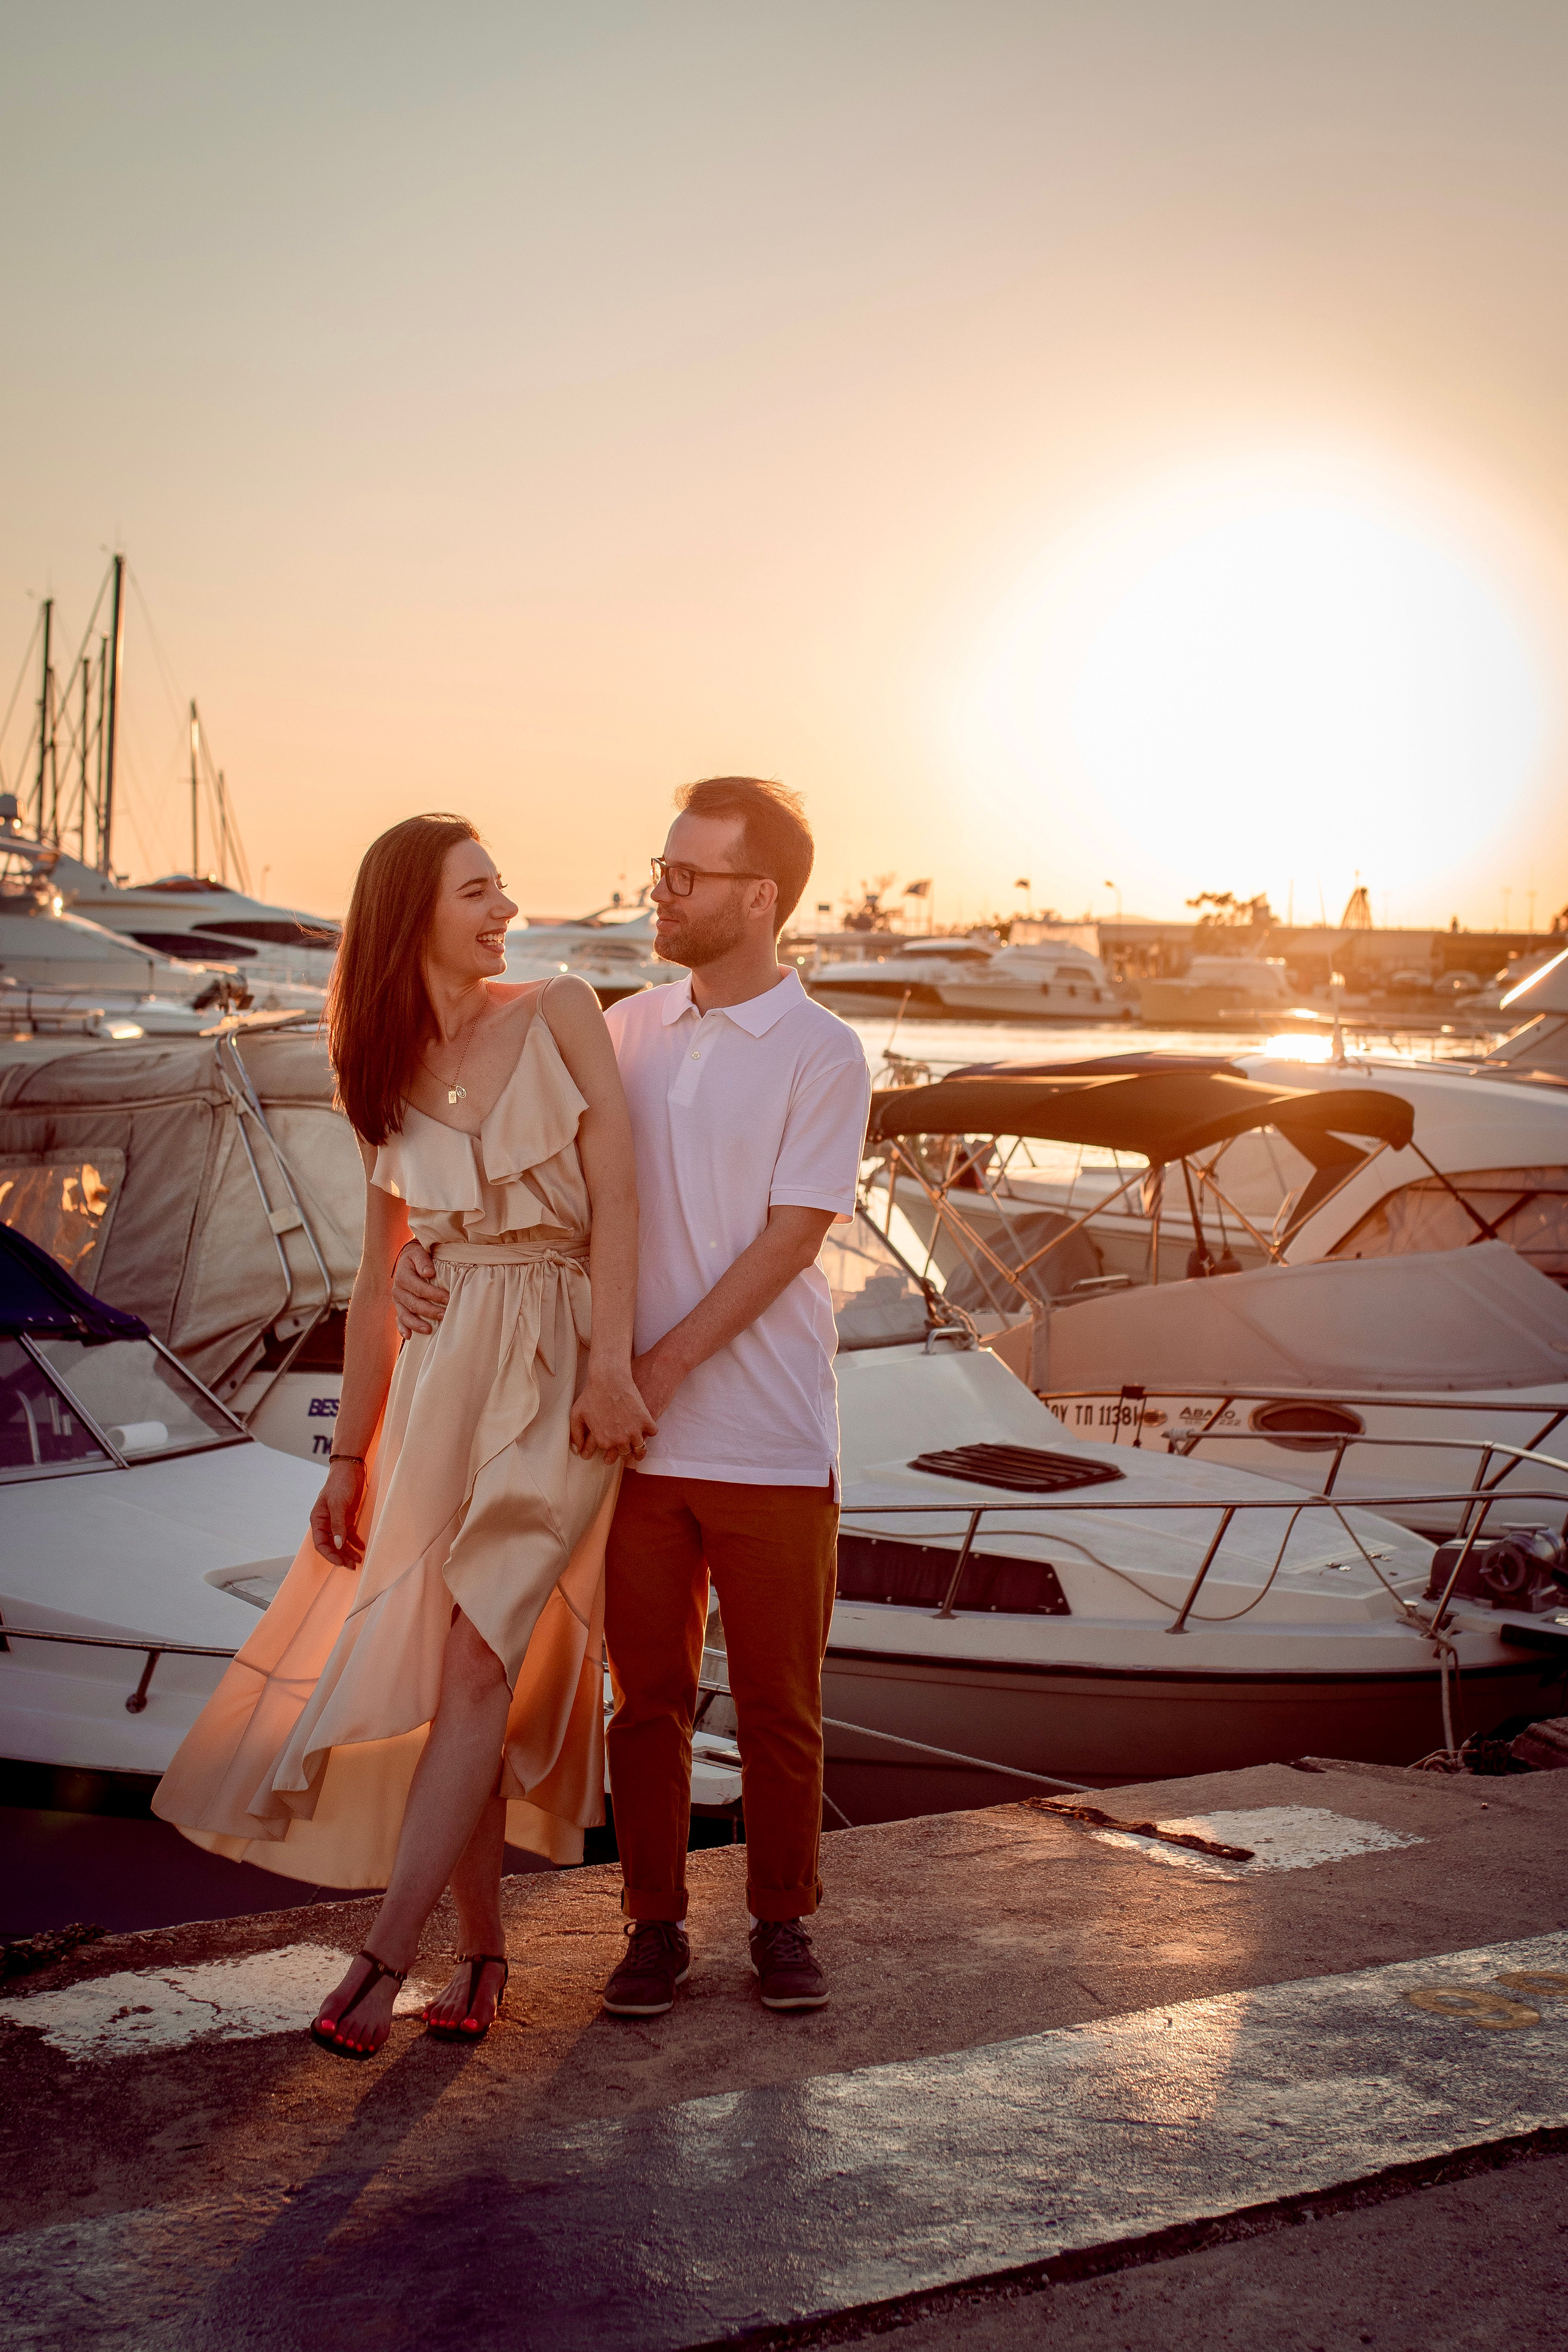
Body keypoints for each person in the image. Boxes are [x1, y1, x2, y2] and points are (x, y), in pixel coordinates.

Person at [154, 813, 653, 2058]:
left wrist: (607, 1370)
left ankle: (385, 1957)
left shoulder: (562, 1010)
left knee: (480, 1659)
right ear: (411, 916)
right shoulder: (375, 1066)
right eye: (479, 892)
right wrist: (345, 1453)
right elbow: (377, 1284)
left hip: (551, 1365)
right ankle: (481, 1954)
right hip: (442, 1377)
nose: (506, 910)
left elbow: (622, 1197)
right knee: (454, 1681)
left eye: (501, 888)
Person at [394, 778, 870, 2015]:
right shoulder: (619, 1028)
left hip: (764, 1431)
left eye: (686, 876)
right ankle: (651, 1924)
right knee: (643, 1701)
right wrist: (423, 1251)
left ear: (758, 897)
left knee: (777, 1705)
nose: (659, 892)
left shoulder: (823, 1051)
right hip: (630, 1447)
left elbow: (788, 1241)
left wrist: (647, 1370)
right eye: (661, 870)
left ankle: (781, 1924)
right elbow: (539, 1181)